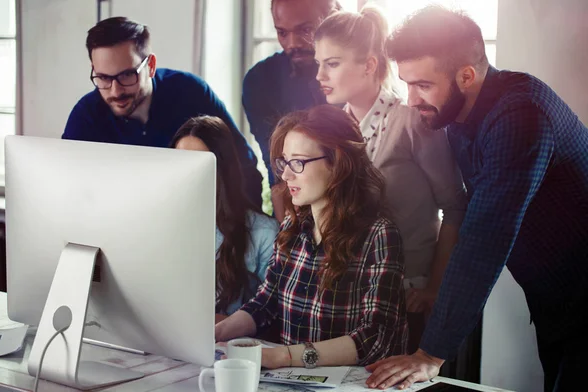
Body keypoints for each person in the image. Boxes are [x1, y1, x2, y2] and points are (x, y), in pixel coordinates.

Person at [365, 6, 588, 391]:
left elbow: (484, 238)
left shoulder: (521, 115)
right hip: (558, 301)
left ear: (466, 76)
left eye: (422, 84)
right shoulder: (456, 113)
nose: (411, 98)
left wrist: (430, 354)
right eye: (406, 83)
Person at [313, 7, 467, 353]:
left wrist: (434, 289)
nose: (320, 74)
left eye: (332, 63)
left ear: (369, 65)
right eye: (318, 62)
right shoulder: (333, 128)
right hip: (351, 293)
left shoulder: (410, 120)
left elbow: (456, 208)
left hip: (407, 297)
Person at [215, 104, 408, 369]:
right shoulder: (292, 228)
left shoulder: (378, 234)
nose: (285, 174)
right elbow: (266, 301)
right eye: (285, 161)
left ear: (338, 163)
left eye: (298, 162)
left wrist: (284, 357)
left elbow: (375, 338)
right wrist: (219, 332)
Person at [63, 16, 263, 207]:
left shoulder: (191, 92)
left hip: (198, 219)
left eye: (126, 75)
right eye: (104, 78)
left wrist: (241, 232)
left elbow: (242, 164)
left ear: (150, 65)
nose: (115, 91)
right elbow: (66, 186)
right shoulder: (86, 115)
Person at [170, 116, 279, 322]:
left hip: (229, 349)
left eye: (199, 164)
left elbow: (274, 316)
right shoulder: (163, 225)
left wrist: (223, 322)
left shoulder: (263, 233)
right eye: (180, 162)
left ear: (223, 169)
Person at [242, 0, 341, 218]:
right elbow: (275, 164)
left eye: (305, 30)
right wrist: (286, 237)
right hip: (294, 207)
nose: (292, 43)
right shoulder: (259, 81)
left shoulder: (348, 77)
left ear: (332, 17)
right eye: (282, 32)